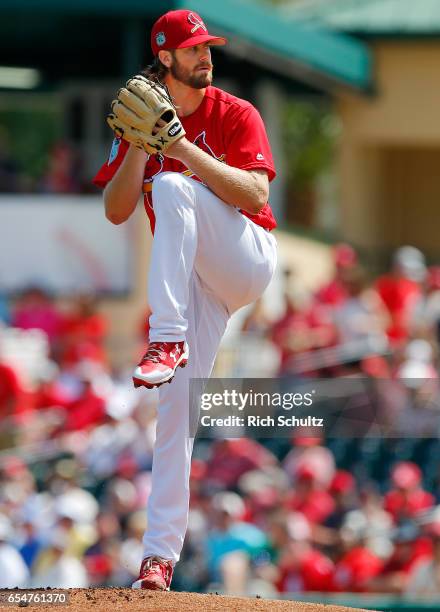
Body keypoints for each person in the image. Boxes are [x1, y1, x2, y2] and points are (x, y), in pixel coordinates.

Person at [93, 9, 277, 591]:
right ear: (166, 57)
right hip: (196, 283)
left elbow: (255, 191)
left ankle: (164, 336)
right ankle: (159, 559)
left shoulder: (234, 111)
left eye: (208, 47)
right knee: (173, 415)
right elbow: (117, 210)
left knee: (176, 184)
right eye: (195, 48)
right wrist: (142, 147)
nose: (207, 56)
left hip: (246, 257)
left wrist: (182, 150)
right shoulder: (142, 123)